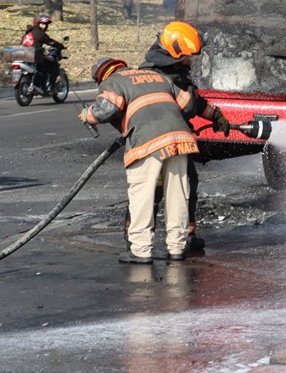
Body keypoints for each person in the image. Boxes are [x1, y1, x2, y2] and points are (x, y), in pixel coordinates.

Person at [79, 45, 229, 264]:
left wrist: (86, 115)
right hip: (180, 139)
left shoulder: (113, 82)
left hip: (147, 142)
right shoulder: (153, 76)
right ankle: (177, 247)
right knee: (178, 194)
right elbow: (189, 104)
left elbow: (105, 110)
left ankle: (140, 251)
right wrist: (216, 115)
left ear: (102, 76)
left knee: (143, 195)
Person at [136, 21, 230, 254]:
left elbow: (197, 104)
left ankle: (179, 236)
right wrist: (213, 114)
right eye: (187, 56)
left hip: (164, 142)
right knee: (155, 191)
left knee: (180, 186)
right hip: (157, 143)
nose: (190, 61)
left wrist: (216, 116)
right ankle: (143, 240)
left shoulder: (164, 72)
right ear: (175, 52)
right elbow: (190, 105)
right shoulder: (159, 78)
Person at [20, 14, 65, 91]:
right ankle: (51, 86)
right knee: (53, 64)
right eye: (42, 24)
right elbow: (51, 42)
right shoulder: (39, 33)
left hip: (22, 55)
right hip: (33, 55)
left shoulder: (28, 33)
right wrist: (61, 46)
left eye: (46, 24)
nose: (44, 26)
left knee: (42, 65)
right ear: (37, 24)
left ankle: (39, 83)